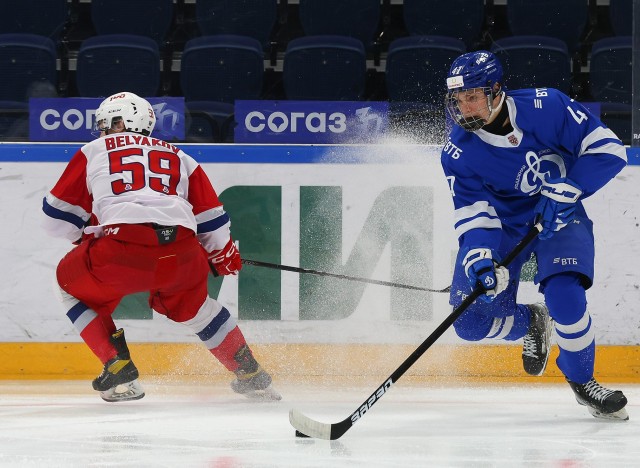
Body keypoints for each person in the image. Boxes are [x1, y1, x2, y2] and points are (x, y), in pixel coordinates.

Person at [42, 92, 280, 402]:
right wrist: (222, 254)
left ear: (120, 122)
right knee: (198, 308)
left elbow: (53, 220)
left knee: (69, 285)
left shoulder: (94, 150)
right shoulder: (181, 156)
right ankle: (250, 374)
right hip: (180, 251)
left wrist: (87, 238)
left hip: (119, 251)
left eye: (104, 123)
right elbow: (211, 221)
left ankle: (119, 367)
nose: (101, 131)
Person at [440, 51, 628, 420]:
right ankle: (531, 321)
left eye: (473, 96)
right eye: (458, 100)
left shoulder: (548, 106)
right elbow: (473, 213)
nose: (465, 108)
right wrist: (479, 255)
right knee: (470, 323)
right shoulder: (457, 151)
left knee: (566, 298)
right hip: (504, 226)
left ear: (496, 91)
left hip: (560, 216)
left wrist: (571, 187)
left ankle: (583, 382)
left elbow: (609, 149)